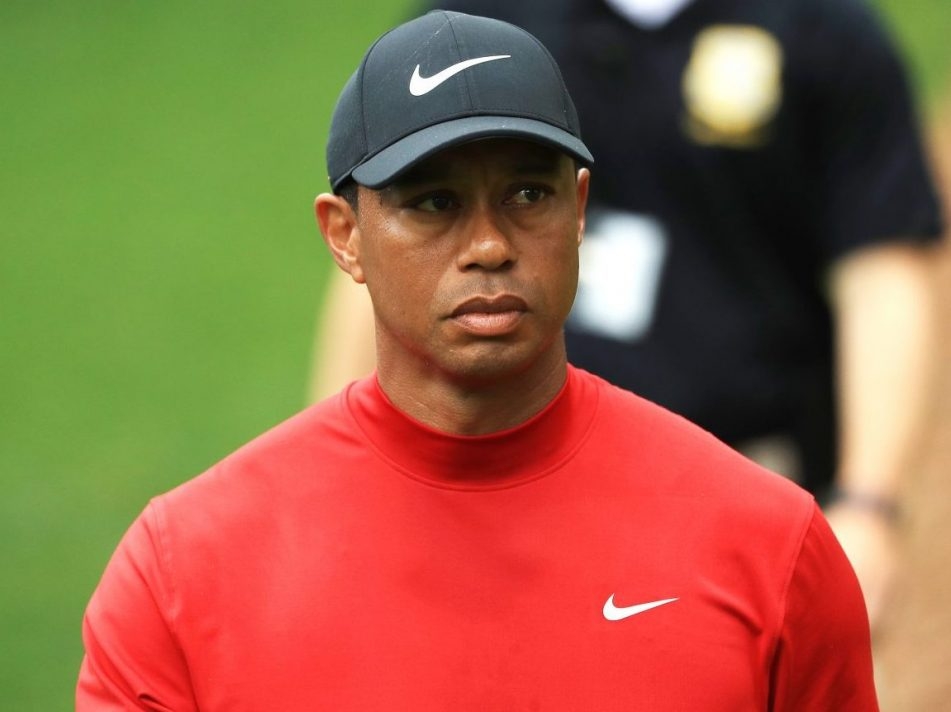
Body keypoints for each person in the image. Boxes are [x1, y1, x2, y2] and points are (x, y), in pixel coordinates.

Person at [78, 10, 879, 709]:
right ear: (344, 236)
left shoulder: (768, 548)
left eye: (527, 194)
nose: (490, 246)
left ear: (579, 213)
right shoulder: (186, 572)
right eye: (434, 203)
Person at [308, 0, 945, 631]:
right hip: (499, 485)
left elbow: (882, 272)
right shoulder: (475, 21)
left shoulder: (822, 30)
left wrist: (868, 505)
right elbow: (388, 254)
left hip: (746, 485)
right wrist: (343, 478)